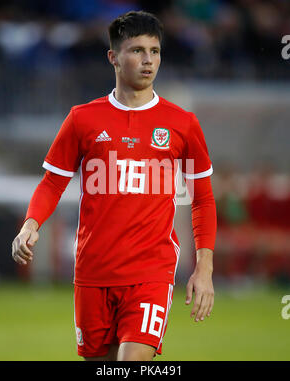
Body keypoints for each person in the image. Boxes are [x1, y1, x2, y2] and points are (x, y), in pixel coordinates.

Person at [11, 10, 217, 361]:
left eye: (155, 51)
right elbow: (52, 183)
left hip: (151, 272)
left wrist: (204, 268)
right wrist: (31, 224)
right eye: (137, 50)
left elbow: (203, 199)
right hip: (92, 272)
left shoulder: (182, 123)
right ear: (113, 57)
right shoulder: (82, 119)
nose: (148, 60)